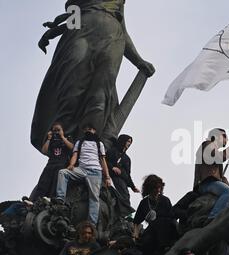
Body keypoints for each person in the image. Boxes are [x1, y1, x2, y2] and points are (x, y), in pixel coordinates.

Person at [31, 0, 155, 152]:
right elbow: (72, 20)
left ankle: (90, 145)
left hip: (112, 36)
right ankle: (62, 142)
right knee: (72, 87)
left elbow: (123, 29)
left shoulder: (117, 3)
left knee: (101, 94)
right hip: (80, 33)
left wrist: (138, 60)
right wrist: (54, 31)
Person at [55, 124, 111, 225]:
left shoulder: (99, 144)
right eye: (87, 128)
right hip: (81, 169)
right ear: (84, 130)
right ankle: (60, 200)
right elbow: (75, 155)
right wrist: (71, 165)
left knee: (94, 198)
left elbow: (103, 160)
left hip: (95, 171)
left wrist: (107, 177)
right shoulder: (80, 142)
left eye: (92, 128)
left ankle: (91, 224)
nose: (89, 130)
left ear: (95, 131)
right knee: (63, 172)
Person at [133, 175, 177, 255]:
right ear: (149, 189)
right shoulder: (144, 203)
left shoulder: (165, 200)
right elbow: (136, 221)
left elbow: (173, 218)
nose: (158, 190)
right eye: (155, 188)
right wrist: (135, 236)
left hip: (166, 231)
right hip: (152, 232)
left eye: (159, 187)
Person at [30, 122, 74, 201]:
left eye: (58, 130)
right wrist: (49, 138)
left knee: (56, 182)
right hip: (50, 164)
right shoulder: (51, 140)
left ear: (62, 130)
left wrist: (62, 137)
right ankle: (35, 200)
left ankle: (51, 199)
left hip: (61, 164)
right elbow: (44, 150)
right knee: (43, 181)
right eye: (54, 130)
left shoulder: (67, 138)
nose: (56, 132)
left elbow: (72, 147)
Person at [106, 134, 139, 205]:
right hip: (110, 176)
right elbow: (104, 160)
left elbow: (128, 175)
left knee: (126, 196)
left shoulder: (127, 159)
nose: (129, 144)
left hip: (121, 180)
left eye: (130, 142)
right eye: (128, 141)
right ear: (123, 141)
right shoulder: (112, 151)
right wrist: (112, 167)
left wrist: (133, 187)